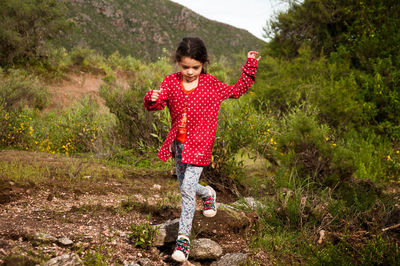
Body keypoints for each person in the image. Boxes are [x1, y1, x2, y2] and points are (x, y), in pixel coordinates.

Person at [144, 37, 260, 262]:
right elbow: (157, 105)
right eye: (185, 66)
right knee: (185, 187)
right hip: (178, 145)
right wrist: (152, 97)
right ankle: (208, 193)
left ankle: (182, 241)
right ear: (178, 62)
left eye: (195, 67)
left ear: (203, 64)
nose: (189, 71)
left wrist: (250, 66)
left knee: (187, 190)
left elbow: (237, 90)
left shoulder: (211, 85)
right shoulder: (170, 81)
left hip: (200, 145)